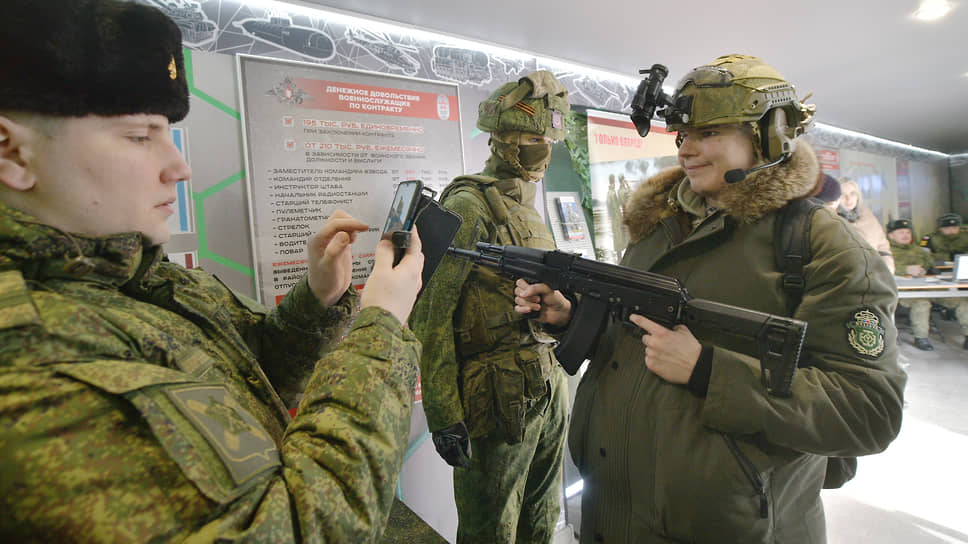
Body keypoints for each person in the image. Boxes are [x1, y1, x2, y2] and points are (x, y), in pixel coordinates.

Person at [0, 1, 425, 542]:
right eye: (139, 136)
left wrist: (317, 298)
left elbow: (248, 380)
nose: (179, 167)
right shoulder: (29, 365)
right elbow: (304, 529)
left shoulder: (132, 276)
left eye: (167, 133)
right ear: (11, 151)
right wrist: (382, 325)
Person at [515, 54, 905, 543]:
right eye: (683, 135)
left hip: (731, 526)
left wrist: (708, 371)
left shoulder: (819, 247)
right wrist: (574, 321)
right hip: (615, 511)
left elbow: (870, 410)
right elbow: (639, 340)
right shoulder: (659, 226)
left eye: (709, 133)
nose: (686, 151)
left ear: (770, 134)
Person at [409, 71, 570, 544]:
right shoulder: (469, 204)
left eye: (548, 139)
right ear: (502, 140)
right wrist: (443, 412)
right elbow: (431, 313)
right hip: (496, 401)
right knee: (490, 528)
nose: (543, 149)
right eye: (533, 138)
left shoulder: (526, 208)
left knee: (541, 516)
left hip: (544, 387)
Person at [887, 219, 968, 350]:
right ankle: (921, 338)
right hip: (904, 292)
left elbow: (931, 265)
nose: (906, 235)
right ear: (891, 235)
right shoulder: (886, 251)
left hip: (928, 286)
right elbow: (880, 268)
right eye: (901, 232)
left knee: (961, 300)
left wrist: (926, 269)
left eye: (908, 232)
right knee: (922, 301)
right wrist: (905, 269)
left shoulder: (919, 250)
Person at [836, 177, 895, 273]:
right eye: (843, 195)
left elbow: (883, 248)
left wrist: (888, 269)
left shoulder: (869, 217)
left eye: (853, 194)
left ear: (858, 196)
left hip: (874, 275)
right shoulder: (831, 219)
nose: (848, 199)